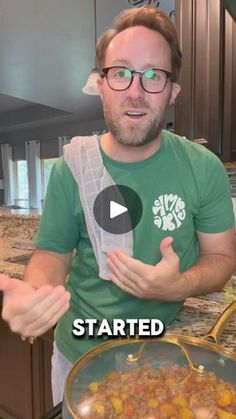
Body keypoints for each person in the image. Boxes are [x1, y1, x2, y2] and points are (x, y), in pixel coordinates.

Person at [0, 5, 235, 405]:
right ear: (102, 84)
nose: (136, 90)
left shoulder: (203, 168)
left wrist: (179, 285)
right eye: (121, 72)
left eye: (153, 75)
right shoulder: (72, 167)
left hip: (163, 354)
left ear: (173, 92)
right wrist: (38, 293)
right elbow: (53, 252)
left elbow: (222, 257)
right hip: (78, 355)